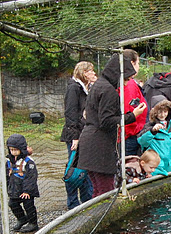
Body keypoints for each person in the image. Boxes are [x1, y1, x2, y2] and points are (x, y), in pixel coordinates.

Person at [77, 53, 148, 197]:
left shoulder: (99, 84)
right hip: (99, 146)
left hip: (90, 142)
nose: (127, 83)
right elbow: (106, 121)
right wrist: (132, 116)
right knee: (106, 192)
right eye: (126, 79)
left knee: (97, 190)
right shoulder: (109, 91)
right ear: (118, 75)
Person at [60, 61, 95, 208]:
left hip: (84, 133)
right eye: (91, 71)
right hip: (75, 135)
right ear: (84, 73)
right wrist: (74, 136)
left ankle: (86, 200)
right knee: (74, 168)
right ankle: (73, 203)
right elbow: (71, 113)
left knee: (85, 167)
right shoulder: (74, 88)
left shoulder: (85, 88)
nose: (94, 74)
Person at [6, 133, 39, 232]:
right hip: (15, 189)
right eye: (11, 150)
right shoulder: (9, 161)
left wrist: (27, 191)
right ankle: (22, 219)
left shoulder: (28, 162)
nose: (13, 152)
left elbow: (31, 177)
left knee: (29, 206)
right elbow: (7, 175)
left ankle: (33, 223)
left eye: (15, 150)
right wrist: (9, 188)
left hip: (27, 190)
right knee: (12, 204)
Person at [137, 99, 171, 176]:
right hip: (154, 168)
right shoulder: (149, 126)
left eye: (165, 112)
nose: (162, 115)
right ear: (155, 112)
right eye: (160, 112)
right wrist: (152, 131)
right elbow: (141, 141)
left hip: (170, 166)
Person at [123, 49, 147, 157]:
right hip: (130, 135)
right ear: (132, 63)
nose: (139, 67)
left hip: (132, 133)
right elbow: (129, 108)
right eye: (138, 63)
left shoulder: (129, 82)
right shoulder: (129, 84)